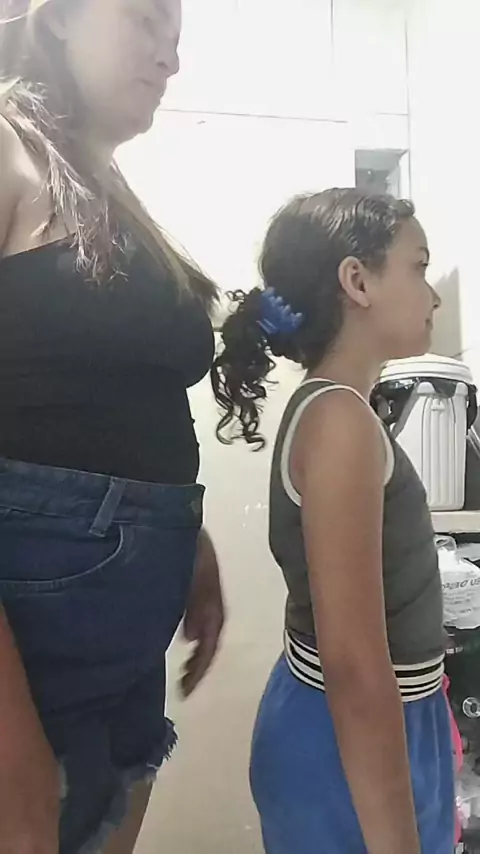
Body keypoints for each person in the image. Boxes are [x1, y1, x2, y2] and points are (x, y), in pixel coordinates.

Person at [0, 1, 225, 853]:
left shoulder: (103, 184)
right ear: (58, 16)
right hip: (29, 666)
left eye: (177, 34)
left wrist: (185, 538)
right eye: (144, 19)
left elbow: (115, 388)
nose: (169, 57)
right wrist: (7, 745)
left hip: (120, 642)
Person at [211, 189, 455, 854]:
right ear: (357, 281)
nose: (432, 294)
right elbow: (352, 662)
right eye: (418, 266)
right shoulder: (340, 421)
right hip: (345, 733)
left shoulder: (341, 411)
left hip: (366, 721)